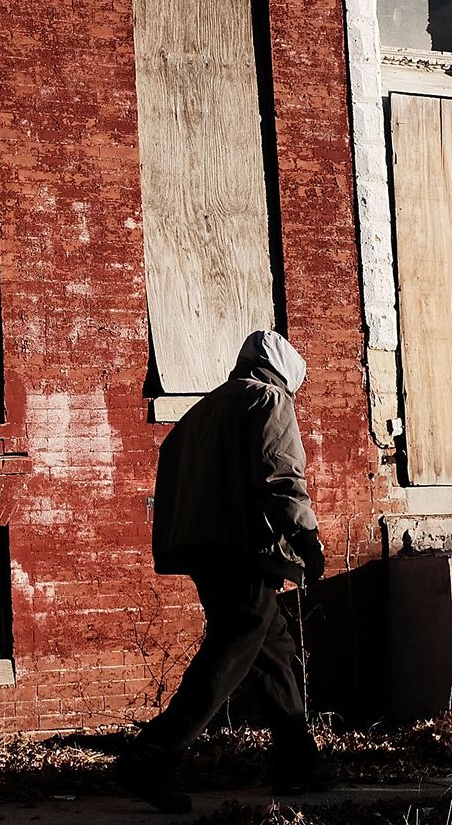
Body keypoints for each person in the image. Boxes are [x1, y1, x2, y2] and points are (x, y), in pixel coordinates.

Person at [117, 329, 334, 813]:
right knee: (234, 644)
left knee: (272, 649)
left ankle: (299, 762)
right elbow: (280, 474)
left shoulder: (203, 410)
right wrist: (305, 539)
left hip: (201, 547)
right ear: (286, 375)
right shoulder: (268, 399)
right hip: (242, 547)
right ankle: (152, 753)